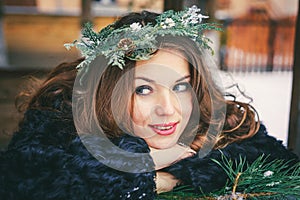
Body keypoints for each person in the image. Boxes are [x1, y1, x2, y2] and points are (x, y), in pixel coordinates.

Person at [0, 6, 299, 200]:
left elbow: (283, 169)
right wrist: (143, 168)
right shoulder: (60, 120)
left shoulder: (223, 125)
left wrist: (187, 170)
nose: (169, 108)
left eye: (181, 86)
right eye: (143, 90)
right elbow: (27, 182)